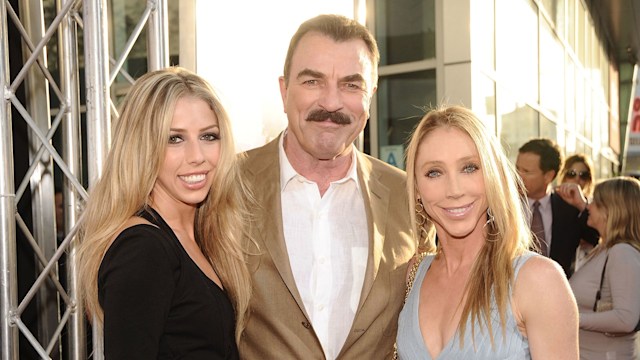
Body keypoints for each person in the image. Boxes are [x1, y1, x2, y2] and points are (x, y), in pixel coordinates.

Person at [238, 14, 415, 359]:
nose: (332, 103)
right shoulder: (227, 185)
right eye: (313, 81)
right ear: (284, 89)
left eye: (352, 85)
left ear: (371, 95)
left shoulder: (408, 197)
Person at [76, 67, 252, 359]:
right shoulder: (143, 248)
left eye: (209, 136)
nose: (197, 156)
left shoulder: (197, 236)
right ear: (142, 147)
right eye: (175, 139)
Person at [397, 106, 578, 359]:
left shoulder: (537, 280)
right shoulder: (414, 274)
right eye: (434, 172)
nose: (454, 189)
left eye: (469, 168)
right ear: (416, 188)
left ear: (493, 175)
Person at [565, 177, 640, 359]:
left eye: (595, 202)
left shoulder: (622, 252)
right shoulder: (605, 249)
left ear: (611, 211)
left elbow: (626, 319)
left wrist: (571, 318)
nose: (588, 206)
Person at [516, 138, 599, 277]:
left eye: (526, 171)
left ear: (549, 176)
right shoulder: (504, 206)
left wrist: (581, 205)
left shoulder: (569, 209)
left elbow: (597, 238)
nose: (518, 176)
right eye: (517, 168)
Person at [558, 153, 596, 271]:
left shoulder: (593, 205)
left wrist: (582, 205)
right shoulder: (550, 201)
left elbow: (596, 238)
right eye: (572, 174)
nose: (577, 179)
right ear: (563, 175)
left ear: (589, 179)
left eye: (583, 175)